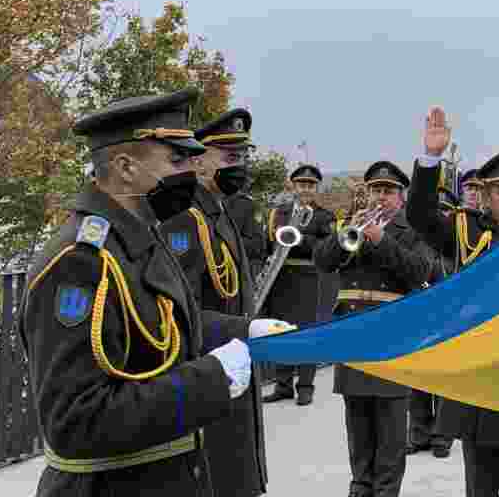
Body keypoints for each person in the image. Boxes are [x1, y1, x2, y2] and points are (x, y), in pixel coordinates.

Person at [17, 90, 292, 497]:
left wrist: (245, 331)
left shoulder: (140, 234)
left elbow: (167, 323)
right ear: (125, 167)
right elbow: (77, 420)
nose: (189, 171)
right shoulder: (82, 261)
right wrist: (211, 379)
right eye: (176, 160)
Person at [407, 107, 499, 497]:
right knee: (480, 489)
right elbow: (418, 215)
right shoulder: (465, 226)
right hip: (479, 379)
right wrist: (431, 159)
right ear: (486, 194)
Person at [159, 108, 270, 496]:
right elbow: (178, 312)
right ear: (200, 158)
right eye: (230, 157)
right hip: (210, 375)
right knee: (221, 478)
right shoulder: (186, 220)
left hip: (233, 370)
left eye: (242, 156)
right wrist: (243, 329)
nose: (239, 166)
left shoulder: (219, 212)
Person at [314, 160, 430, 497]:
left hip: (391, 335)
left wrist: (381, 240)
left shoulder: (412, 231)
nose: (381, 197)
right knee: (358, 422)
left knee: (391, 428)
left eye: (388, 191)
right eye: (376, 190)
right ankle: (360, 486)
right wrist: (346, 232)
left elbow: (419, 271)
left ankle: (385, 491)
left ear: (401, 196)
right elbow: (323, 261)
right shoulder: (352, 224)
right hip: (352, 332)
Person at [262, 163, 335, 405]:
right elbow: (267, 243)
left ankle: (305, 385)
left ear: (316, 188)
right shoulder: (278, 213)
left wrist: (300, 238)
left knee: (306, 333)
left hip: (307, 277)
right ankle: (283, 385)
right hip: (280, 277)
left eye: (311, 185)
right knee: (280, 331)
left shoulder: (326, 216)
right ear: (293, 186)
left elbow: (325, 249)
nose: (306, 189)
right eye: (302, 184)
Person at [406, 187, 458, 460]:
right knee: (418, 377)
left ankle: (443, 435)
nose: (440, 216)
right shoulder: (415, 241)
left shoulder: (459, 245)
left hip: (450, 316)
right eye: (436, 210)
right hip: (420, 314)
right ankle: (418, 433)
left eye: (445, 210)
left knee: (445, 377)